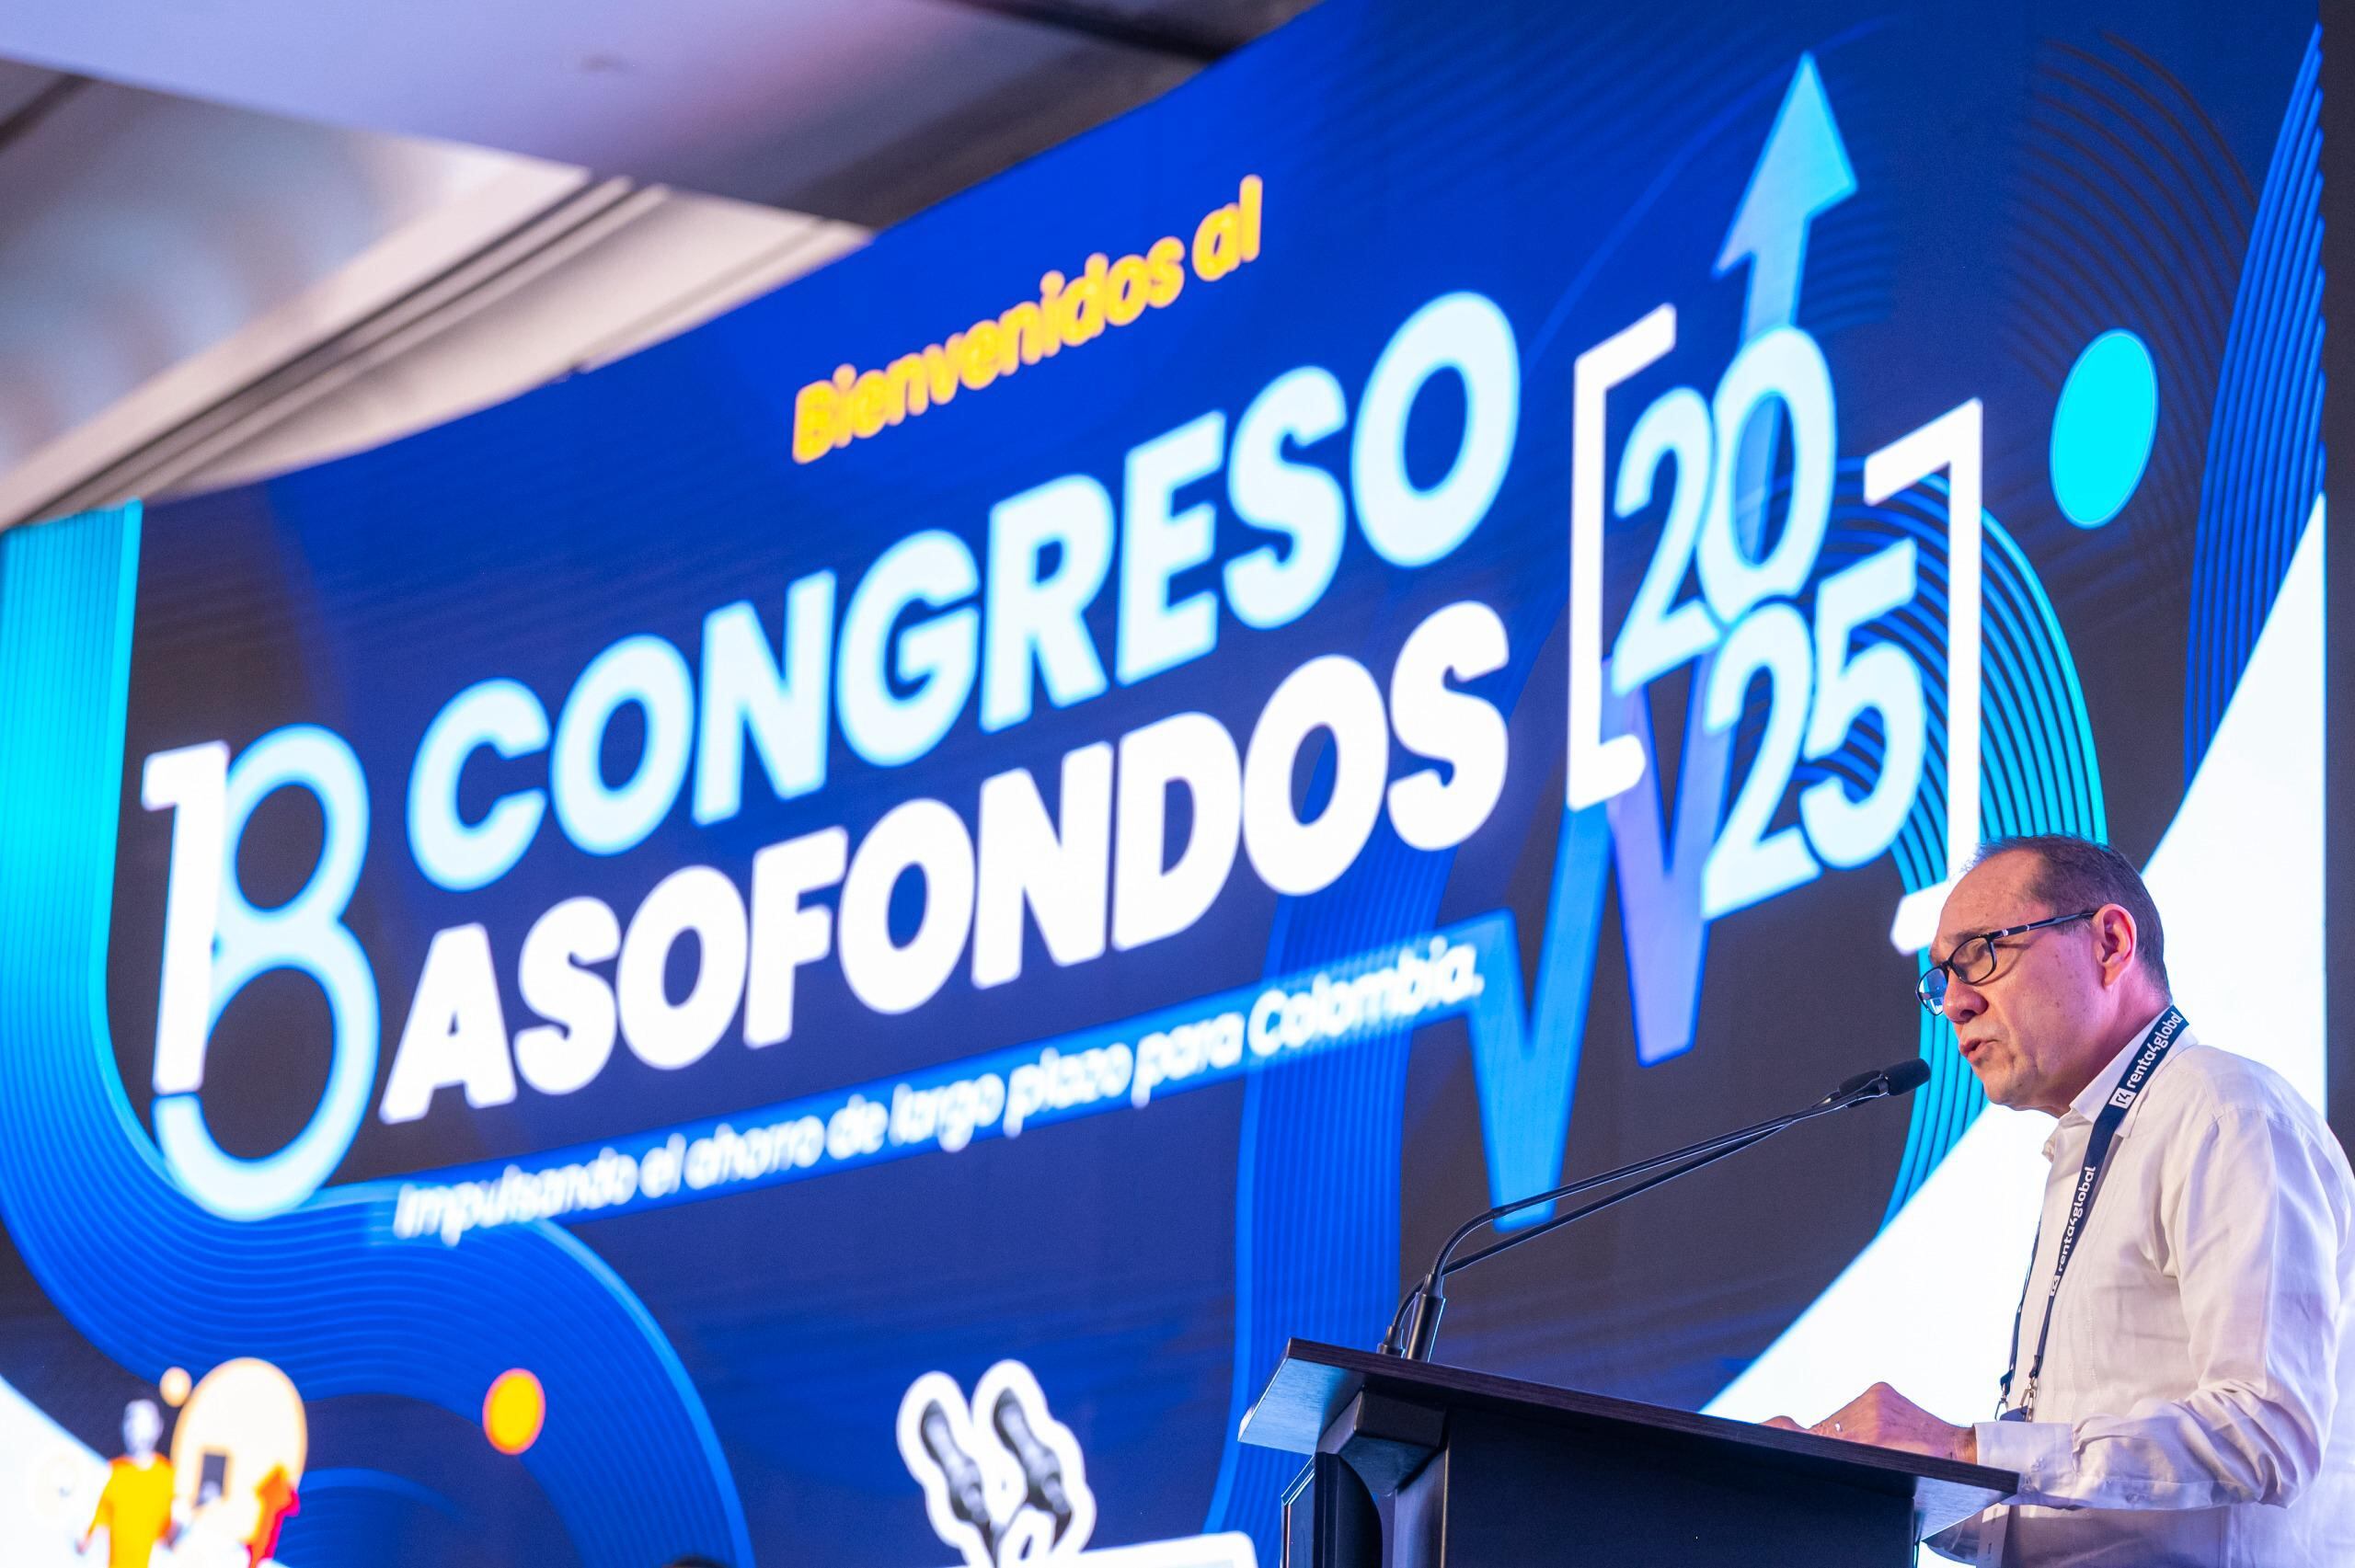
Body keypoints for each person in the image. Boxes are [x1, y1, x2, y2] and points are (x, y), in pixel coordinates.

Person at [1767, 834, 2355, 1564]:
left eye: (1980, 952)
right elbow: (2077, 1512)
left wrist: (1962, 1446)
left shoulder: (2223, 1110)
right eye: (1941, 976)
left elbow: (2265, 1433)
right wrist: (1889, 1479)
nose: (1953, 1002)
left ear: (2109, 942)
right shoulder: (2087, 1151)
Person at [77, 1399, 176, 1568]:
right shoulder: (108, 1474)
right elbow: (89, 1538)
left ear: (158, 1426)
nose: (135, 1426)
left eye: (143, 1419)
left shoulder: (171, 1479)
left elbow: (174, 1541)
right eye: (130, 1418)